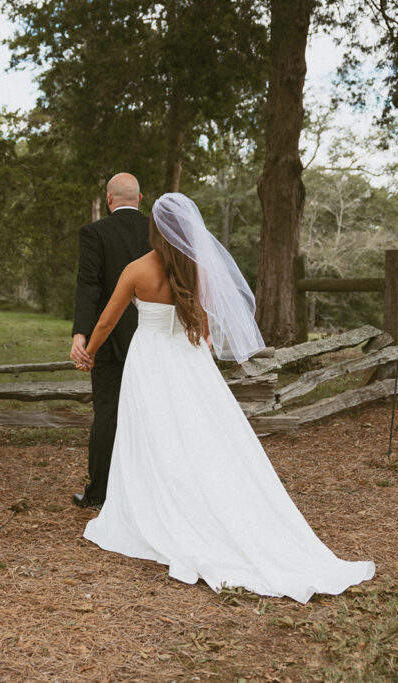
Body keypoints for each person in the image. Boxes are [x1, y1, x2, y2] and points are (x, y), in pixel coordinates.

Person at [78, 192, 375, 603]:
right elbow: (204, 323)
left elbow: (108, 319)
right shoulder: (197, 270)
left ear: (155, 230)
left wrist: (88, 352)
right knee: (200, 433)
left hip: (148, 359)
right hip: (188, 360)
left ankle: (158, 505)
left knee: (152, 431)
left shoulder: (136, 270)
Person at [70, 173, 152, 510]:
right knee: (153, 414)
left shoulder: (95, 233)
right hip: (155, 338)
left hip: (111, 340)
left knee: (108, 413)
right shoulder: (159, 231)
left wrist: (81, 335)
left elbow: (88, 285)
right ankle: (149, 491)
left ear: (109, 200)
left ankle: (100, 493)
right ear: (141, 198)